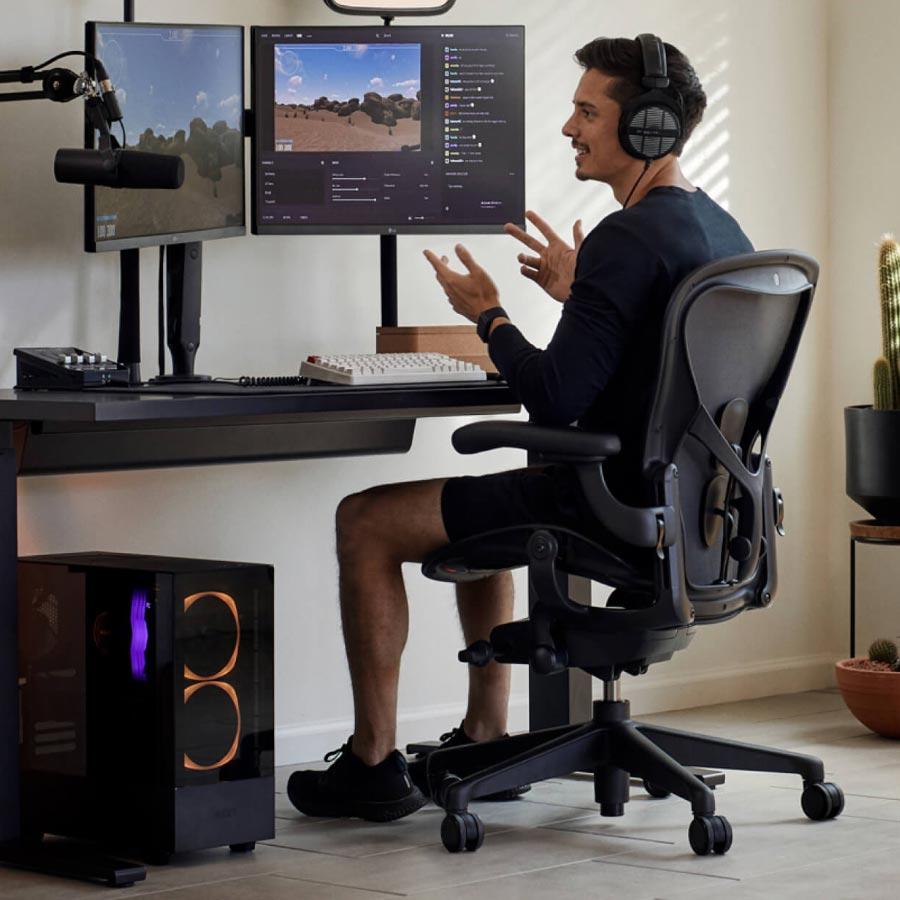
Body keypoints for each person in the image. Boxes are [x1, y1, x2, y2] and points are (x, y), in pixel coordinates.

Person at [287, 35, 753, 823]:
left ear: (646, 129)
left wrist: (488, 314)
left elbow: (555, 401)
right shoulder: (721, 233)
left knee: (363, 520)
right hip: (690, 512)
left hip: (599, 503)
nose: (569, 128)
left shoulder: (627, 238)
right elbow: (653, 365)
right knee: (496, 499)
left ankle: (371, 764)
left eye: (587, 111)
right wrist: (583, 295)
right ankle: (487, 730)